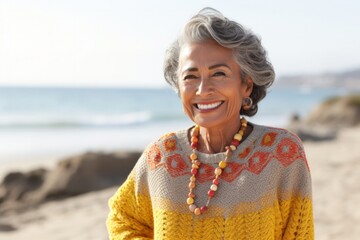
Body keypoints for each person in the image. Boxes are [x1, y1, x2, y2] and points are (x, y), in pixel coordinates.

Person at [107, 7, 314, 240]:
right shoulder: (161, 157)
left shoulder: (282, 154)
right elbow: (122, 217)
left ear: (246, 85)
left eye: (219, 74)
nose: (203, 90)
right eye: (190, 76)